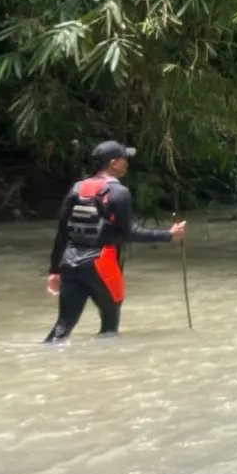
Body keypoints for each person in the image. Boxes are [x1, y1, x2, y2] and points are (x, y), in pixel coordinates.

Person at [44, 141, 186, 343]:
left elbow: (62, 233)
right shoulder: (119, 192)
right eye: (123, 159)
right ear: (114, 163)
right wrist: (170, 235)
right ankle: (108, 361)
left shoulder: (77, 188)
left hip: (69, 262)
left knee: (63, 325)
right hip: (101, 263)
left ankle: (48, 356)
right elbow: (129, 233)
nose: (127, 162)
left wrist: (54, 270)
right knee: (109, 327)